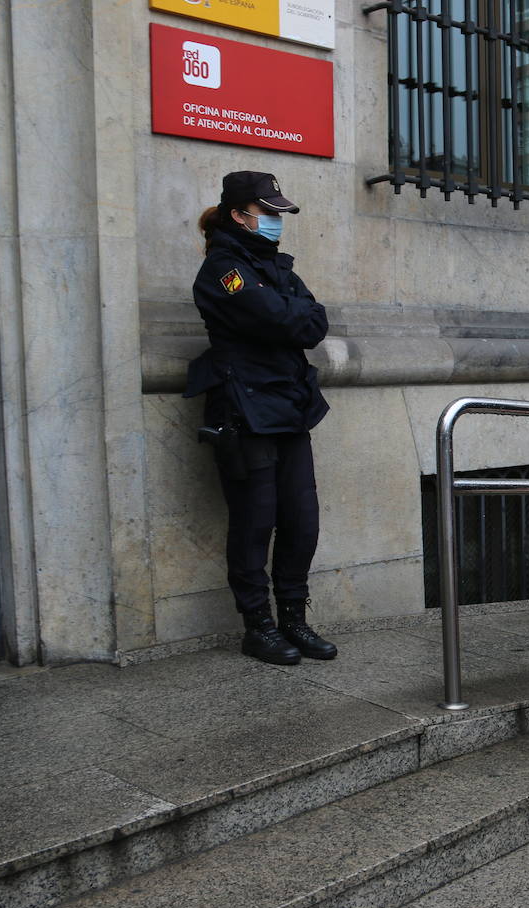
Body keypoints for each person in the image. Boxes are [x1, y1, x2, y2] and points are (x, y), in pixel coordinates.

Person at [183, 171, 338, 666]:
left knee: (302, 521)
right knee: (255, 523)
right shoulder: (224, 269)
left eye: (278, 213)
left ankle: (294, 619)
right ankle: (259, 627)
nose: (276, 221)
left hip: (289, 407)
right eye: (268, 212)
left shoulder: (276, 267)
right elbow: (281, 318)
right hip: (246, 411)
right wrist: (286, 316)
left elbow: (313, 323)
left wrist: (286, 315)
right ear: (239, 214)